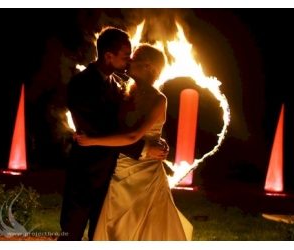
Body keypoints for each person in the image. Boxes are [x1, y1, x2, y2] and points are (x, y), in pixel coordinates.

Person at [58, 27, 169, 241]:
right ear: (109, 56)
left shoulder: (119, 86)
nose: (128, 62)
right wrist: (145, 149)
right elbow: (98, 131)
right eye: (126, 57)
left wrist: (154, 139)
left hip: (113, 178)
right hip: (86, 175)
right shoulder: (81, 84)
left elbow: (127, 127)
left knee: (102, 236)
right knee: (70, 235)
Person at [75, 43, 193, 240]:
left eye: (135, 58)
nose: (129, 61)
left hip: (147, 174)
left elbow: (133, 136)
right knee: (116, 226)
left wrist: (93, 140)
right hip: (120, 168)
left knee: (146, 227)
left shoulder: (158, 99)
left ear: (149, 67)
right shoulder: (124, 94)